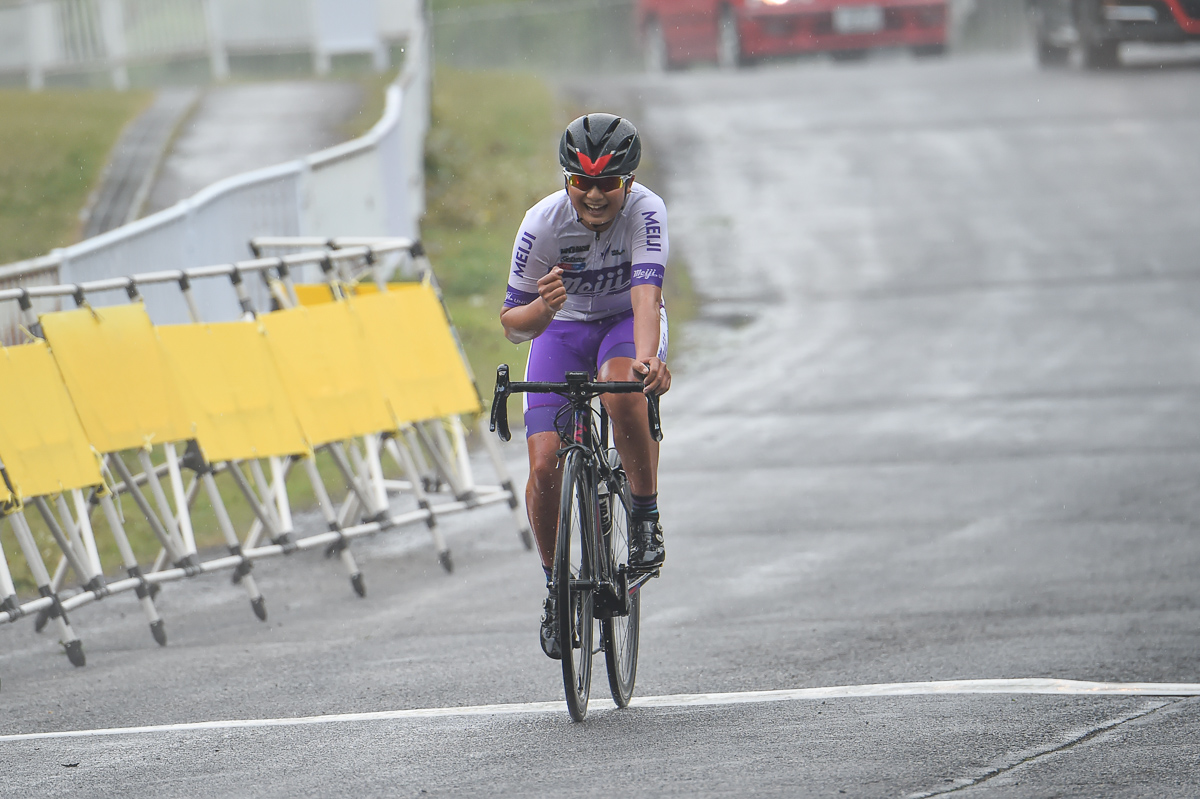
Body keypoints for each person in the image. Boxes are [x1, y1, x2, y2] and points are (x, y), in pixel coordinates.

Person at [500, 113, 671, 659]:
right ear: (567, 180)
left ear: (628, 182)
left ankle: (643, 516)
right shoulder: (542, 224)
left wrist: (648, 363)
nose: (595, 196)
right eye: (583, 183)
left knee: (621, 386)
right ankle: (556, 587)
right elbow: (511, 326)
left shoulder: (646, 212)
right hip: (564, 328)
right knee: (544, 465)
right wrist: (542, 307)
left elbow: (647, 298)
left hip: (624, 323)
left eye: (608, 184)